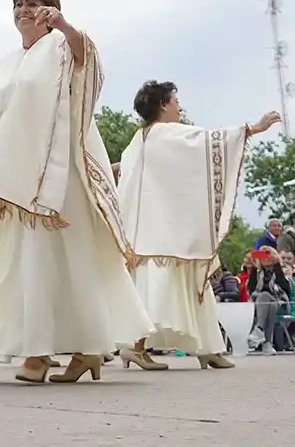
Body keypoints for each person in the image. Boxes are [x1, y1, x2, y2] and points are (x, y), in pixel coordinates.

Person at [0, 0, 154, 385]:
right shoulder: (3, 64)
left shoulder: (61, 45)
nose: (25, 9)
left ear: (51, 10)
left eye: (34, 3)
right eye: (19, 4)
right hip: (15, 184)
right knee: (28, 266)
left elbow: (87, 61)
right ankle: (42, 349)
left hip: (65, 180)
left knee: (70, 262)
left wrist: (65, 26)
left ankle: (79, 349)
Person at [116, 80, 280, 371]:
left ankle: (206, 346)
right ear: (163, 104)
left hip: (147, 229)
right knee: (171, 283)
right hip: (164, 229)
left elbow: (127, 170)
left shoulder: (139, 139)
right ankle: (138, 346)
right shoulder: (169, 134)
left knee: (178, 283)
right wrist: (252, 129)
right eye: (175, 101)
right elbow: (211, 143)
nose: (179, 106)